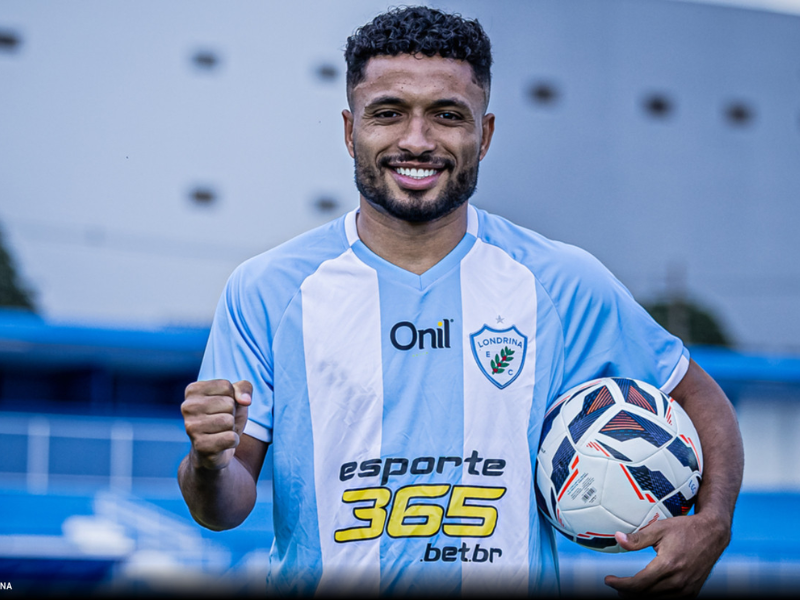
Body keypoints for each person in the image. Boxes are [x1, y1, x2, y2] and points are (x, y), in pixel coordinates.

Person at [178, 6, 743, 597]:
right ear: (350, 130)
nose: (416, 141)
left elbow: (697, 394)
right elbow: (223, 507)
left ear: (485, 133)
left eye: (447, 116)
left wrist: (713, 522)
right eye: (388, 114)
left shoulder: (561, 281)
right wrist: (210, 462)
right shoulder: (267, 288)